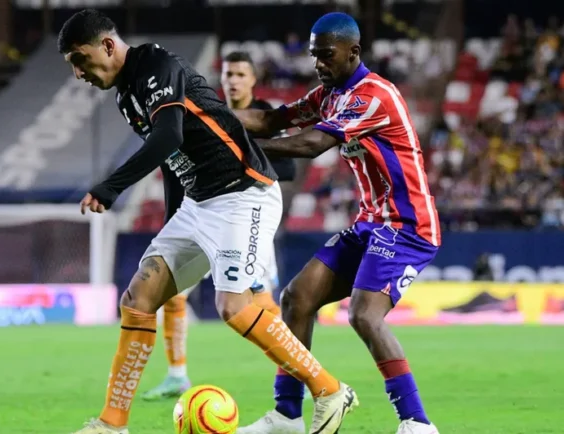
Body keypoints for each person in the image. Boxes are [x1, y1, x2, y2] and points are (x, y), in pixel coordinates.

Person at [57, 10, 358, 434]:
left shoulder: (155, 65)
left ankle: (329, 390)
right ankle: (112, 424)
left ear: (107, 45)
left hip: (242, 193)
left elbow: (169, 137)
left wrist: (111, 186)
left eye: (80, 59)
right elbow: (172, 160)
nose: (78, 73)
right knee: (138, 298)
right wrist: (170, 223)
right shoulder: (127, 95)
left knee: (233, 307)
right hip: (198, 204)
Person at [234, 12, 441, 434]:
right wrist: (210, 119)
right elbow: (272, 120)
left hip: (407, 226)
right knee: (297, 298)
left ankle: (417, 423)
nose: (318, 65)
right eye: (314, 57)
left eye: (326, 56)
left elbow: (312, 145)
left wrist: (240, 154)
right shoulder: (330, 94)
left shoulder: (372, 96)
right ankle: (287, 414)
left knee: (365, 315)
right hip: (371, 223)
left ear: (354, 52)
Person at [140, 50, 296, 402]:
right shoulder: (207, 109)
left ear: (253, 79)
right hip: (202, 213)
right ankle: (177, 374)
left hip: (247, 215)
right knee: (173, 294)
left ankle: (292, 374)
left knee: (258, 303)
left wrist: (244, 154)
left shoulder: (265, 114)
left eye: (241, 74)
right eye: (228, 74)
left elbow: (287, 170)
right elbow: (175, 167)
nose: (233, 80)